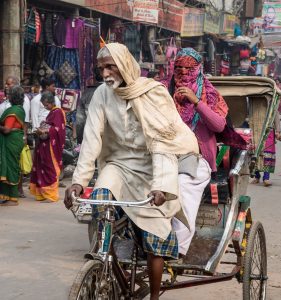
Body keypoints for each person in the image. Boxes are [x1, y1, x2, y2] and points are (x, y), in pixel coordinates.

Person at [64, 43, 199, 300]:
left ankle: (155, 296)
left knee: (155, 236)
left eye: (110, 66)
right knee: (101, 200)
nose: (104, 73)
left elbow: (162, 143)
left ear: (124, 65)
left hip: (153, 165)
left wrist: (160, 186)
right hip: (118, 164)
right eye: (101, 68)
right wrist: (78, 183)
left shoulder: (153, 93)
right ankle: (103, 259)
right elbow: (91, 139)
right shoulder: (101, 95)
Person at [170, 48, 228, 255]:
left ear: (198, 69)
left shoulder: (210, 94)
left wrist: (196, 102)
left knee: (183, 187)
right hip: (164, 152)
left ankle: (178, 249)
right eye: (179, 68)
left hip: (197, 157)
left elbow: (219, 126)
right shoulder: (163, 89)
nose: (184, 73)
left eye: (189, 68)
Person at [30, 92, 66, 203]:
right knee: (42, 167)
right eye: (44, 105)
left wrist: (45, 130)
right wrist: (41, 129)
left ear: (51, 102)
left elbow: (57, 129)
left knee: (50, 168)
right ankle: (42, 193)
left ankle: (51, 194)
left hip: (52, 147)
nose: (45, 107)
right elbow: (49, 125)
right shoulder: (52, 112)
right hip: (44, 144)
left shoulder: (58, 112)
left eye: (46, 105)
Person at [0, 76, 31, 198]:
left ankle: (13, 194)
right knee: (13, 165)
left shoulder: (15, 108)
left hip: (12, 140)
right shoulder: (10, 105)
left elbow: (10, 128)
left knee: (11, 166)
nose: (6, 87)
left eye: (9, 84)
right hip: (13, 138)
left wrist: (24, 136)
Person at [252, 113, 280, 187]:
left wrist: (277, 130)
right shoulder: (253, 101)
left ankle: (266, 178)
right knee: (255, 154)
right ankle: (257, 176)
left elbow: (276, 116)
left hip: (269, 131)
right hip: (256, 130)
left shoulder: (272, 102)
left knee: (267, 154)